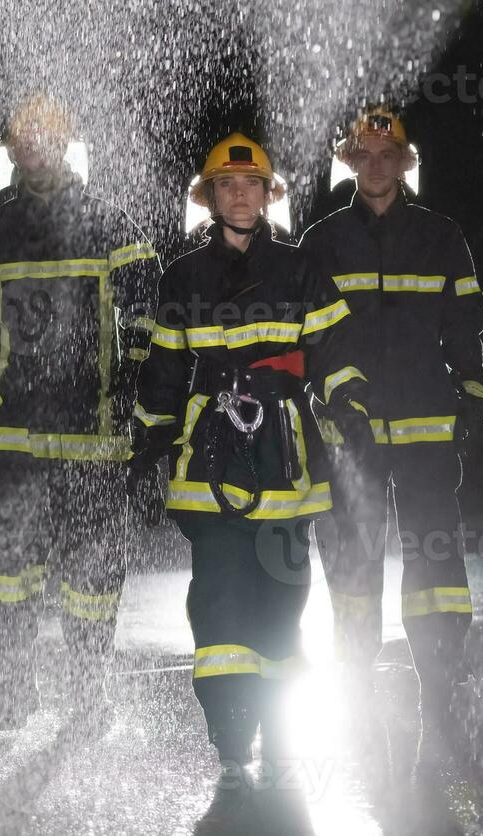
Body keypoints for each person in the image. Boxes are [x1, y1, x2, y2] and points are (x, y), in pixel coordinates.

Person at [127, 132, 373, 806]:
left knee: (283, 605)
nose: (239, 194)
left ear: (269, 194)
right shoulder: (182, 277)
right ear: (208, 198)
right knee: (218, 603)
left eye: (250, 184)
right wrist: (148, 445)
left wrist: (349, 404)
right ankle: (231, 736)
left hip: (287, 461)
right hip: (210, 463)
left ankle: (276, 724)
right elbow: (165, 371)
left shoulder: (300, 269)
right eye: (225, 186)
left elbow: (333, 350)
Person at [0, 93, 159, 733]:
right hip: (11, 428)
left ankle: (90, 692)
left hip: (92, 427)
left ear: (65, 145)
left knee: (92, 571)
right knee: (4, 567)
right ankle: (17, 684)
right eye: (24, 142)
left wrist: (141, 374)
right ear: (13, 151)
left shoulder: (108, 223)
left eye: (46, 139)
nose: (36, 151)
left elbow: (151, 301)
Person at [299, 107, 483, 776]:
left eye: (388, 154)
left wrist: (474, 392)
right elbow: (311, 333)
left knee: (436, 568)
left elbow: (467, 324)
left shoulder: (442, 237)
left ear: (403, 163)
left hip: (426, 427)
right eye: (365, 153)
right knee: (353, 568)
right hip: (347, 434)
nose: (376, 163)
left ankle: (439, 693)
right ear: (349, 162)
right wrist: (336, 396)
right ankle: (356, 699)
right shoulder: (320, 242)